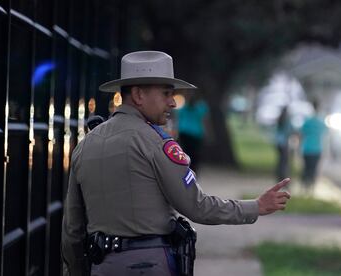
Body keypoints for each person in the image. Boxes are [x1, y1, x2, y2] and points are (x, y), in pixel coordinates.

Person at [61, 51, 291, 276]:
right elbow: (197, 206)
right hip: (149, 264)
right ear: (139, 95)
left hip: (101, 265)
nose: (172, 102)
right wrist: (255, 207)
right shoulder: (156, 143)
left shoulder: (85, 145)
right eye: (166, 94)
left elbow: (72, 229)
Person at [177, 93, 209, 172]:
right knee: (194, 154)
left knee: (184, 152)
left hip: (184, 132)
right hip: (196, 133)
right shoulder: (201, 108)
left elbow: (179, 119)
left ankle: (184, 168)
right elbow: (204, 121)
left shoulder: (183, 107)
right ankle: (193, 170)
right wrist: (207, 133)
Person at [299, 100, 327, 193]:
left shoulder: (307, 121)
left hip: (306, 148)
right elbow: (325, 135)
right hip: (316, 149)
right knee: (313, 169)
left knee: (306, 168)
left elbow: (301, 134)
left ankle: (304, 187)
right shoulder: (321, 121)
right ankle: (311, 188)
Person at [274, 106, 292, 181]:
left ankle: (278, 176)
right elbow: (289, 131)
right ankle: (283, 177)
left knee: (280, 160)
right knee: (284, 162)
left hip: (278, 142)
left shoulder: (279, 119)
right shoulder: (287, 120)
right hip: (284, 143)